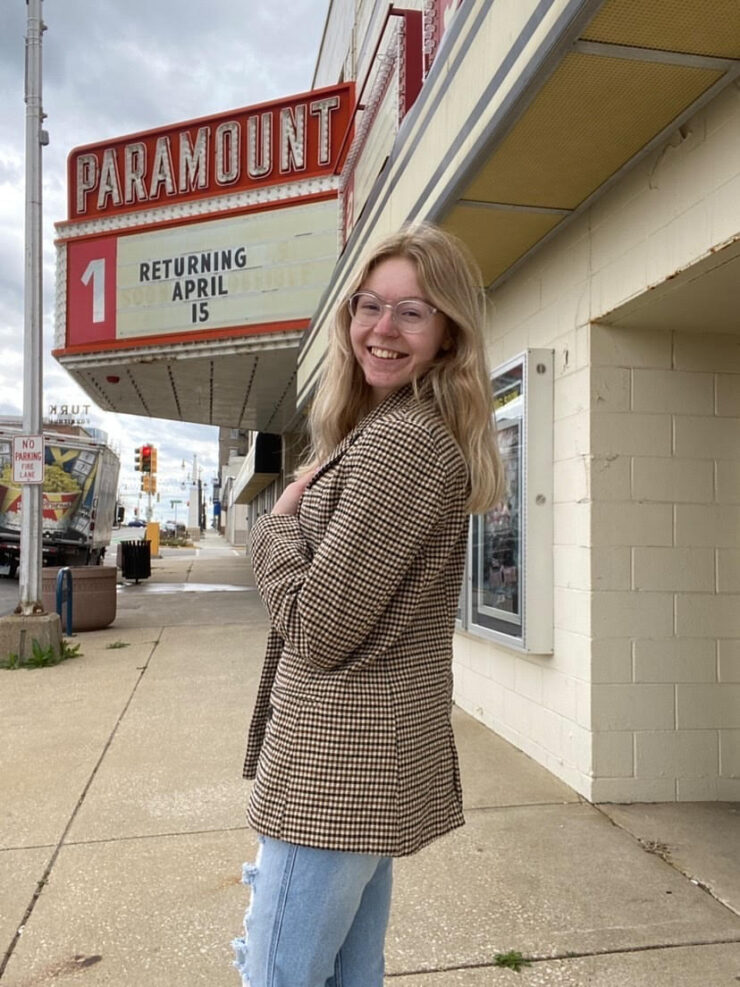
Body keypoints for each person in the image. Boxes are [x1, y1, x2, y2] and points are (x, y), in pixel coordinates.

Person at [233, 222, 503, 987]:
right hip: (361, 767)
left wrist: (273, 531)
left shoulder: (402, 443)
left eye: (412, 311)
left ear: (449, 333)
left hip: (335, 770)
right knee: (349, 973)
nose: (381, 329)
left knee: (280, 974)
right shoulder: (394, 429)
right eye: (369, 306)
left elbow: (317, 628)